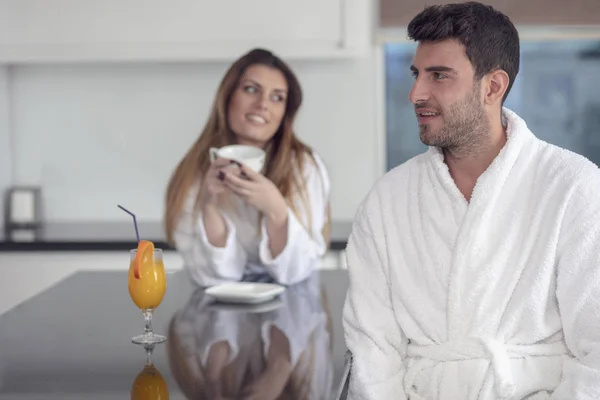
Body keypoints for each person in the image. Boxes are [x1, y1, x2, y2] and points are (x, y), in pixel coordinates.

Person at [342, 2, 600, 399]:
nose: (415, 93)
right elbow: (372, 350)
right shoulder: (386, 201)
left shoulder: (573, 188)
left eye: (439, 76)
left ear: (492, 86)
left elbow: (596, 352)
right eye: (416, 74)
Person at [164, 48, 331, 287]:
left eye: (277, 97)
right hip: (217, 315)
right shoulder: (197, 170)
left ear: (285, 113)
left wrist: (276, 210)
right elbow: (209, 277)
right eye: (251, 89)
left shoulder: (303, 165)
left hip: (292, 312)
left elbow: (297, 271)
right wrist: (208, 206)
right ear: (228, 96)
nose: (262, 104)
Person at [166, 274, 334, 399]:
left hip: (214, 279)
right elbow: (308, 306)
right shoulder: (309, 389)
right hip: (296, 276)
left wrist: (213, 372)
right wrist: (280, 366)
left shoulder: (199, 381)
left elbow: (188, 320)